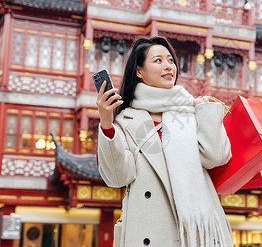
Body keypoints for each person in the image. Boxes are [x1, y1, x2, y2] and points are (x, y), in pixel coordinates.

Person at [95, 36, 233, 247]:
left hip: (196, 235)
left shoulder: (190, 111)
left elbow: (216, 156)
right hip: (149, 233)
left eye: (170, 60)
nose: (169, 66)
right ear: (139, 71)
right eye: (158, 60)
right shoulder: (128, 120)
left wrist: (204, 110)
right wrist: (107, 123)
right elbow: (117, 177)